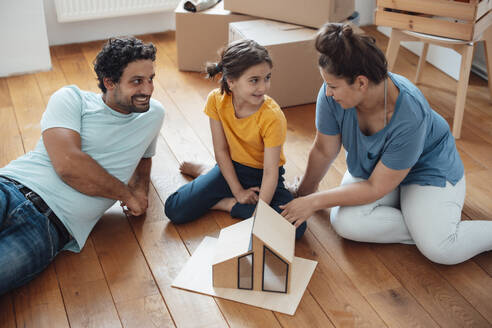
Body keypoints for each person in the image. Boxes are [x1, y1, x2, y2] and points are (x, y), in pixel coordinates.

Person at [280, 23, 492, 265]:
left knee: (441, 249)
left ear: (361, 83)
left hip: (426, 170)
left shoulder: (410, 114)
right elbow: (323, 149)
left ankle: (436, 232)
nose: (328, 93)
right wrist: (303, 194)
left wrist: (313, 202)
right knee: (346, 223)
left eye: (333, 86)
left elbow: (374, 187)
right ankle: (424, 224)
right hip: (376, 170)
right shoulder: (333, 97)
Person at [0, 36, 165, 295]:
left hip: (50, 228)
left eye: (151, 78)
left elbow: (145, 156)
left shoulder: (153, 114)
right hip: (9, 188)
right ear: (109, 82)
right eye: (136, 81)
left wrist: (141, 189)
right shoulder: (71, 98)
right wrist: (125, 194)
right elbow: (69, 165)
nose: (148, 89)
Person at [164, 39, 307, 239]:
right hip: (230, 169)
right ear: (231, 81)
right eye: (254, 80)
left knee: (295, 228)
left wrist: (261, 214)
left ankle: (219, 195)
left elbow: (270, 172)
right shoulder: (216, 100)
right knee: (174, 209)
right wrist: (238, 193)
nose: (263, 87)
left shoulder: (273, 116)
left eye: (267, 78)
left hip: (264, 176)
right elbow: (221, 150)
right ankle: (222, 195)